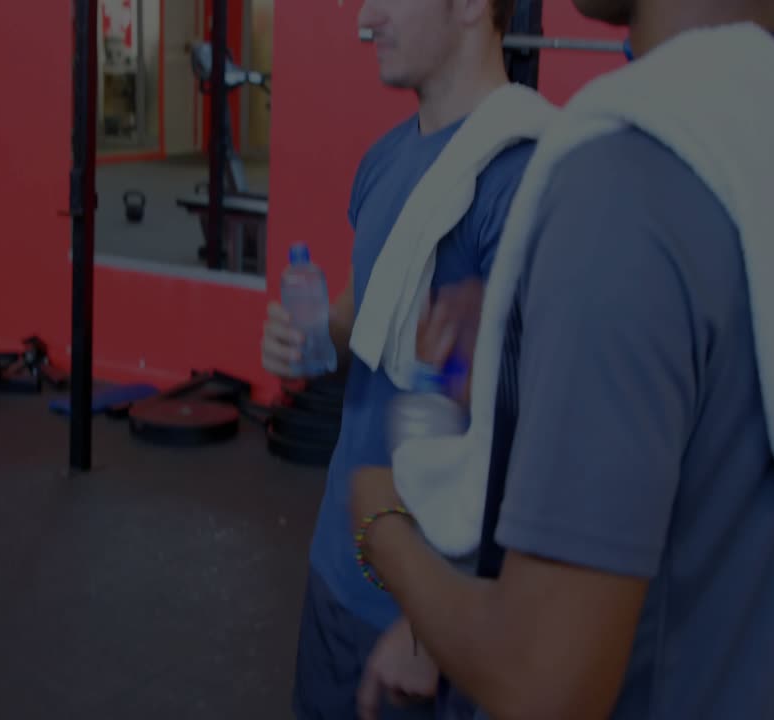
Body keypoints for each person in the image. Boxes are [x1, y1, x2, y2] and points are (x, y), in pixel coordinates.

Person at [349, 0, 774, 718]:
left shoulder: (624, 179)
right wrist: (546, 345)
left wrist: (380, 517)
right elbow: (736, 410)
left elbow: (545, 685)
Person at [259, 0, 543, 717]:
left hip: (427, 603)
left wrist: (429, 623)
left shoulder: (521, 178)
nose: (364, 19)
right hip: (340, 558)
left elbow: (529, 433)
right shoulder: (385, 158)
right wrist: (311, 339)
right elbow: (365, 324)